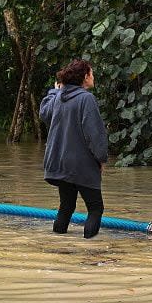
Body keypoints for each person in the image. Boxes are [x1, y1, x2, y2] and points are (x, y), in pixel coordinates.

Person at [39, 59, 108, 239]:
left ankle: (58, 245)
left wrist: (55, 90)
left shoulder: (58, 97)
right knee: (95, 208)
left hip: (61, 164)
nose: (93, 77)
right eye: (91, 73)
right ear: (85, 77)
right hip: (82, 165)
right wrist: (101, 159)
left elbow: (44, 113)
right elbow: (94, 134)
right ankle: (89, 248)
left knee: (66, 206)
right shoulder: (87, 98)